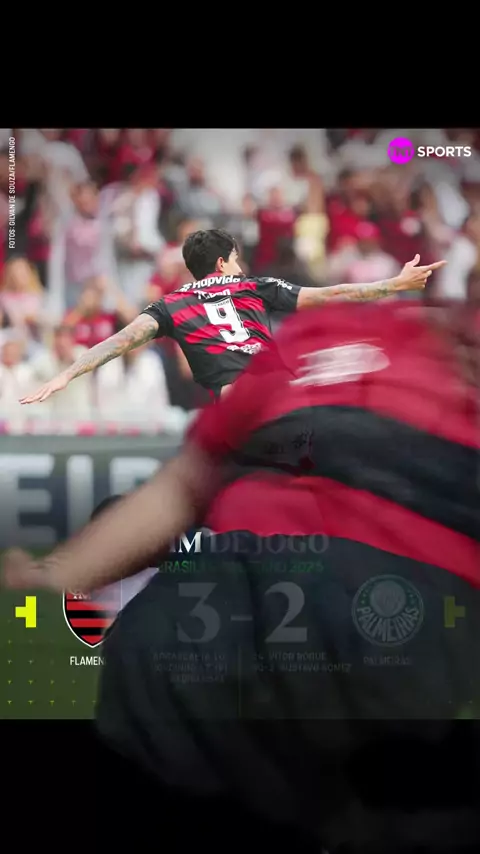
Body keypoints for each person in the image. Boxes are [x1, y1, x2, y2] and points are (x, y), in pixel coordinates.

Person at [4, 297, 479, 851]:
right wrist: (59, 575)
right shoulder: (322, 330)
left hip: (391, 634)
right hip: (206, 631)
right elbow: (187, 481)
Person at [19, 229, 446, 405]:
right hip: (279, 392)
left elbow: (118, 342)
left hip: (238, 403)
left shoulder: (169, 305)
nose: (240, 267)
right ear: (222, 263)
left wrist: (67, 374)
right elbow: (334, 293)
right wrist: (394, 284)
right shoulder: (254, 286)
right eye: (236, 259)